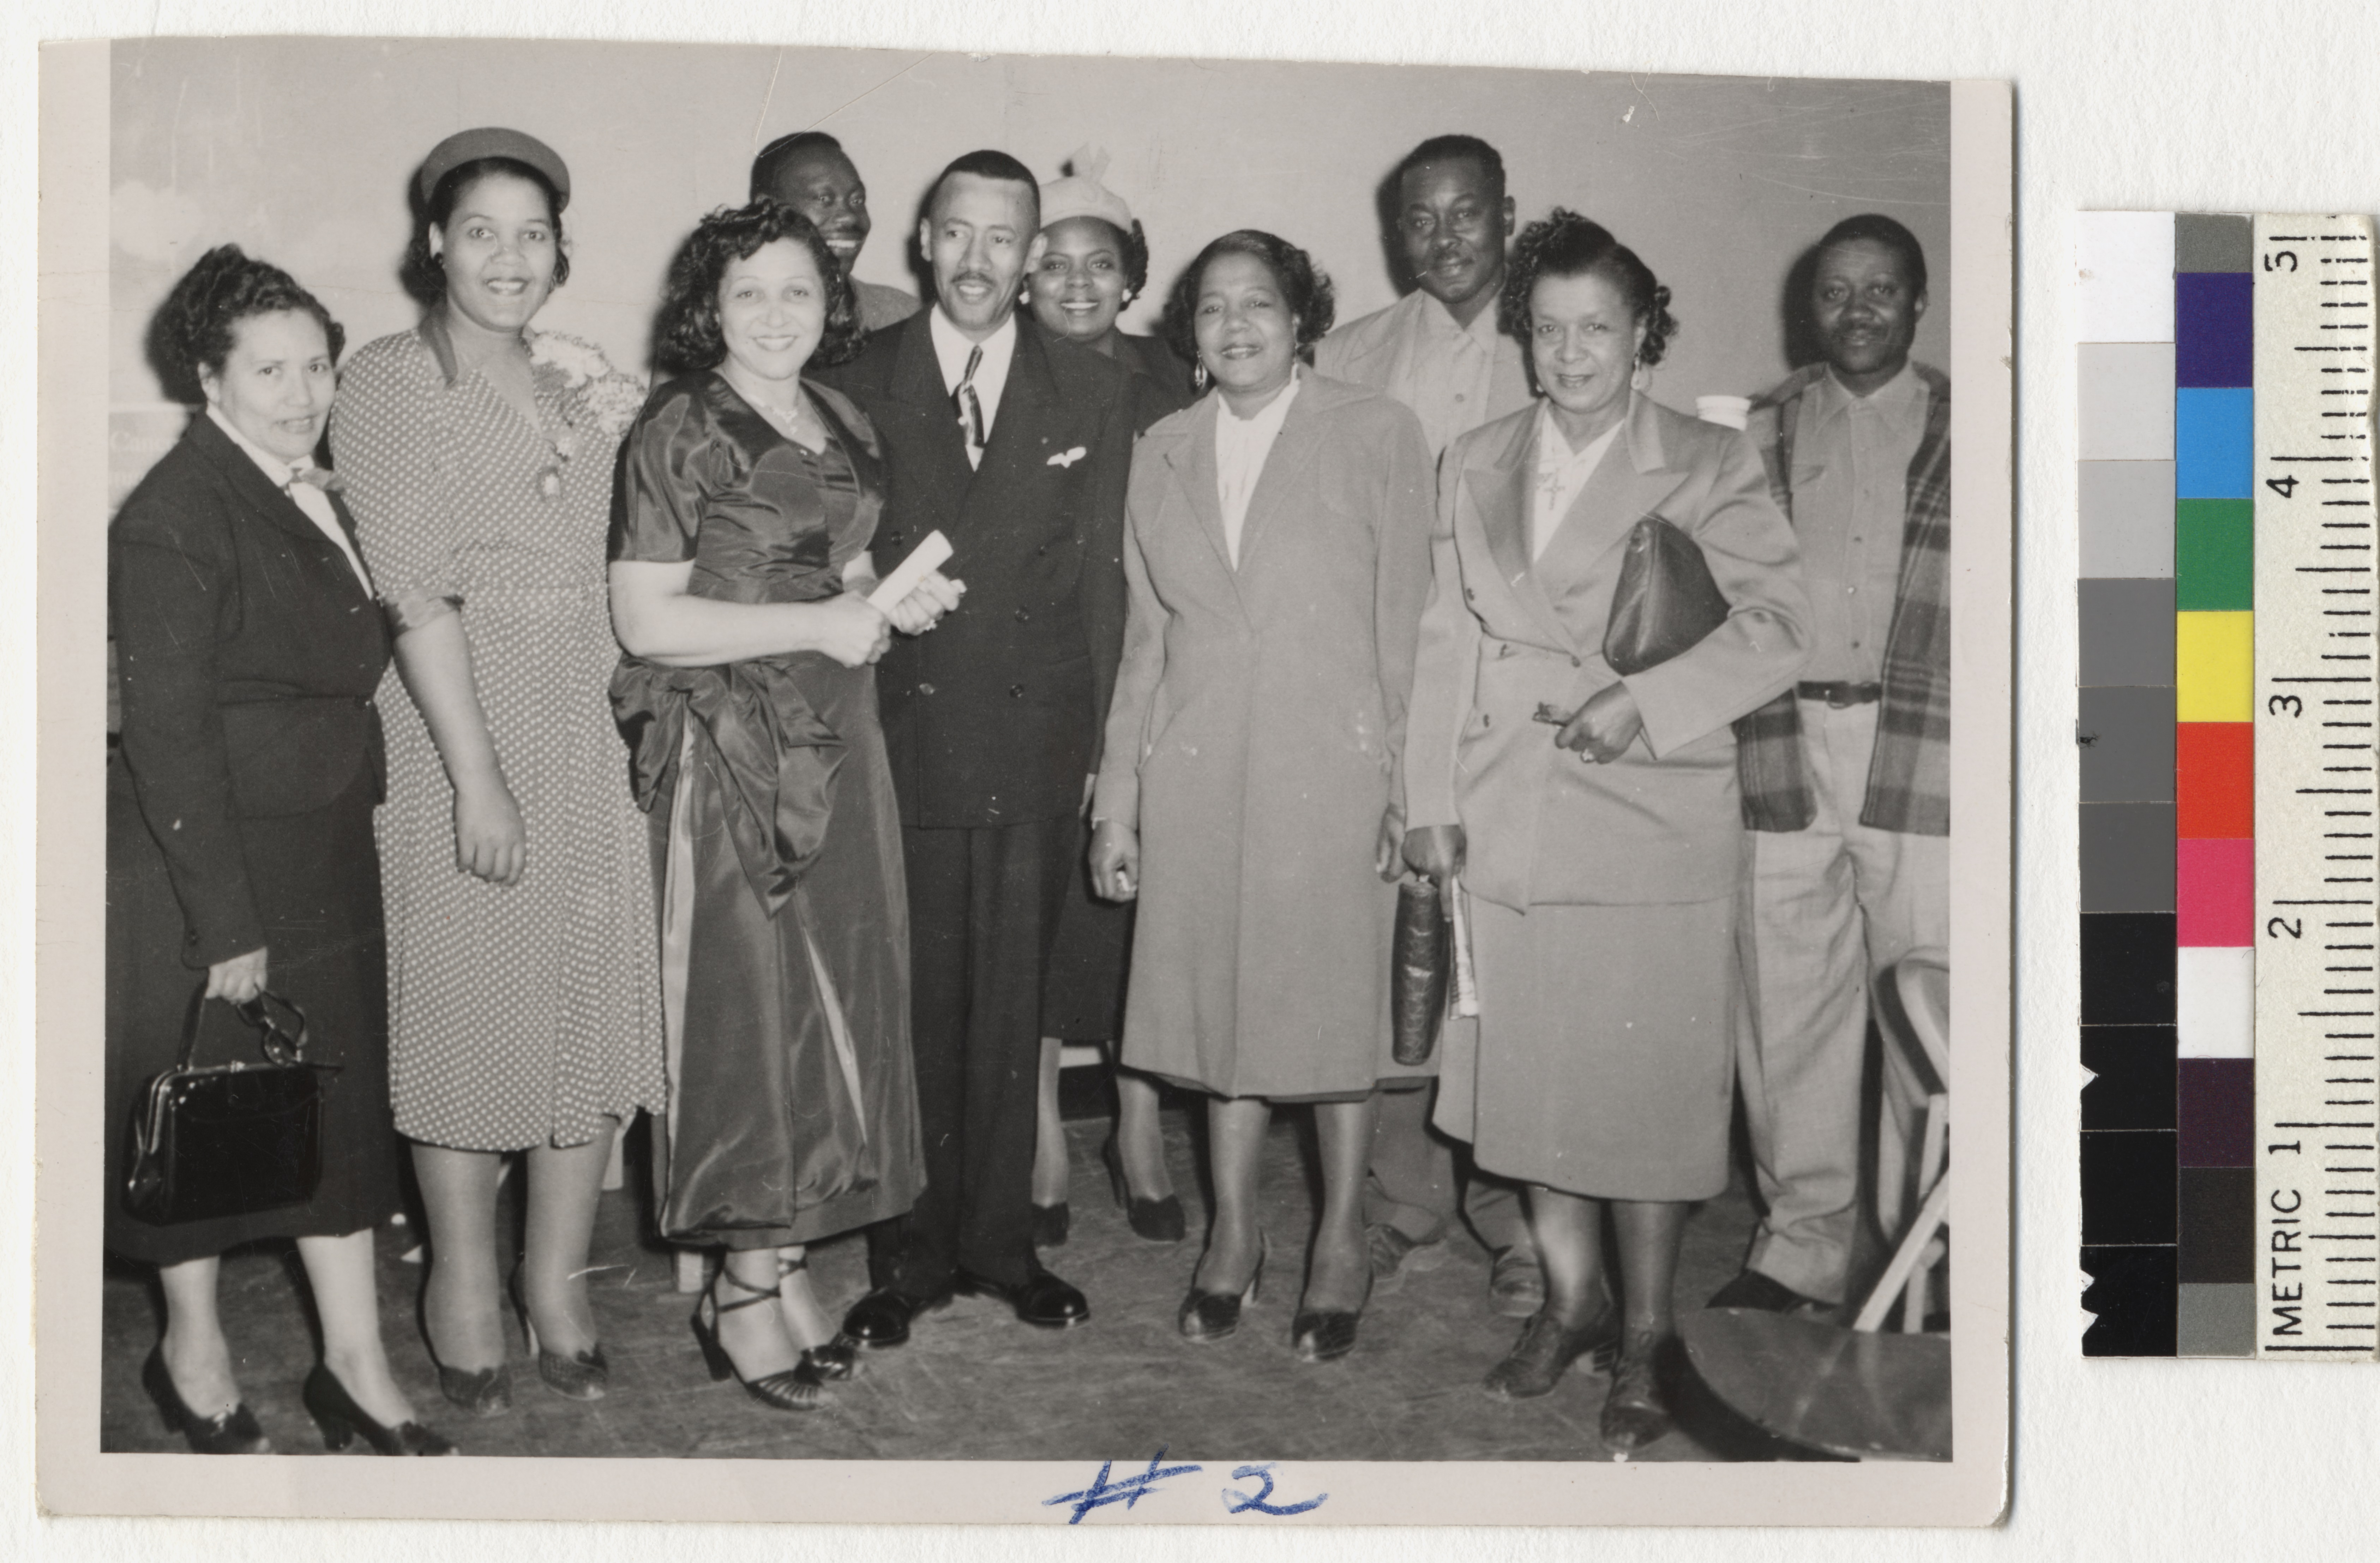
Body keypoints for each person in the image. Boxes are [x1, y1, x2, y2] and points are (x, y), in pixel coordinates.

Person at [1401, 211, 1808, 1447]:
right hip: (1506, 805)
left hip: (1645, 810)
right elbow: (1441, 639)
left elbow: (1782, 620)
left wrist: (1647, 700)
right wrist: (1427, 799)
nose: (1572, 352)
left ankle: (1645, 1331)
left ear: (1643, 337)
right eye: (1550, 328)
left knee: (1642, 1096)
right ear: (1526, 339)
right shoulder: (1471, 454)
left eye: (1599, 328)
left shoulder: (1704, 455)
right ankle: (1567, 1301)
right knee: (1530, 1086)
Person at [333, 128, 667, 1415]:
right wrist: (476, 776)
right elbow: (412, 589)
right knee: (467, 1009)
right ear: (434, 242)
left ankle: (558, 1278)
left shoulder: (579, 382)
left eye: (533, 233)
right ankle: (461, 1280)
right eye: (482, 230)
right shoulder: (389, 379)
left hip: (586, 723)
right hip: (455, 721)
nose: (509, 256)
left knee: (586, 1000)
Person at [609, 200, 960, 1410]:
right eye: (749, 292)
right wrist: (822, 618)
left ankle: (792, 1250)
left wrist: (887, 598)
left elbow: (847, 560)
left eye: (798, 292)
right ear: (710, 304)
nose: (774, 315)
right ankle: (740, 1284)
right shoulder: (678, 425)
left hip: (839, 733)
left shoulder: (844, 417)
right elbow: (647, 618)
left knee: (836, 1004)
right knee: (751, 1018)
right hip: (730, 747)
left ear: (833, 304)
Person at [108, 245, 452, 1456]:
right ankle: (190, 1353)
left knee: (334, 1116)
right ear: (209, 376)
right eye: (271, 367)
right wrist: (226, 924)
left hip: (315, 843)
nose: (304, 389)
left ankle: (354, 1365)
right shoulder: (173, 514)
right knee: (205, 1121)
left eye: (317, 362)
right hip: (211, 865)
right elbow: (167, 735)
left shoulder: (305, 484)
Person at [1088, 230, 1437, 1363]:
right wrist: (1117, 804)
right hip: (1196, 773)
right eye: (1212, 310)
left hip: (1332, 772)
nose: (1236, 326)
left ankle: (1339, 1238)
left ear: (1302, 321)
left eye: (1261, 305)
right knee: (1217, 1017)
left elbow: (1407, 627)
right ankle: (1234, 1233)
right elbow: (1148, 640)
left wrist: (1406, 782)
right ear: (1188, 334)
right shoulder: (1162, 448)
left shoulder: (1375, 432)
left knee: (1333, 1019)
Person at [815, 149, 1135, 1346]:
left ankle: (1001, 1244)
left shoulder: (1087, 388)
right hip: (901, 737)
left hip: (1037, 729)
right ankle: (905, 1254)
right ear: (923, 239)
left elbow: (1104, 581)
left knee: (1015, 1007)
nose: (978, 260)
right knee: (915, 1004)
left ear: (1032, 253)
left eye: (1005, 240)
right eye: (958, 233)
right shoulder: (856, 378)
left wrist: (1107, 752)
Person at [1316, 133, 1541, 1316]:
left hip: (1518, 705)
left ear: (1506, 213)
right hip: (1394, 693)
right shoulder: (1352, 356)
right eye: (1421, 219)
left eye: (1466, 213)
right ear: (1395, 232)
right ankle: (1403, 1202)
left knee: (1502, 972)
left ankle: (1517, 1217)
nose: (1445, 237)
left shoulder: (1561, 337)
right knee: (1389, 963)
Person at [1716, 213, 1951, 1318]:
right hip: (1782, 738)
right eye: (1834, 292)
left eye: (1881, 291)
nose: (1857, 312)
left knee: (1925, 1006)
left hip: (1925, 746)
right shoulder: (1751, 432)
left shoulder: (1982, 425)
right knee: (1786, 1005)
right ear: (1804, 307)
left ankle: (1923, 1247)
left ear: (1917, 303)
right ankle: (1801, 1246)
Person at [1022, 148, 1198, 1249]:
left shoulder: (1176, 380)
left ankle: (1137, 1123)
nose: (1078, 284)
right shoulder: (990, 375)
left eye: (1102, 264)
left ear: (1132, 277)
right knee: (1035, 911)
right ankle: (1037, 1127)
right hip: (1035, 682)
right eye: (1053, 265)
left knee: (1143, 916)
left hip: (1151, 676)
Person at [751, 130, 920, 333]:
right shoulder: (733, 321)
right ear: (767, 208)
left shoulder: (904, 317)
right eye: (824, 200)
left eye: (857, 200)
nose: (850, 217)